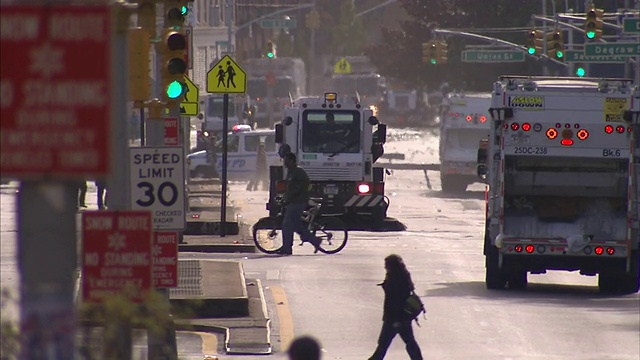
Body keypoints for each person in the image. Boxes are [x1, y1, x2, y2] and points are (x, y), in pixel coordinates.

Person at [368, 254, 423, 360]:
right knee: (409, 343)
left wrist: (396, 321)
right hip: (402, 318)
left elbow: (395, 301)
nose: (385, 268)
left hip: (394, 318)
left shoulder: (395, 279)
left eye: (386, 265)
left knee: (383, 346)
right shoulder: (402, 276)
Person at [280, 152, 321, 255]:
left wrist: (293, 195)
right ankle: (314, 240)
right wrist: (284, 198)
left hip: (298, 201)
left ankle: (287, 248)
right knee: (296, 226)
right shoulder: (290, 171)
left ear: (292, 161)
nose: (285, 163)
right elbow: (290, 188)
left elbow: (301, 186)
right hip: (292, 201)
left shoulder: (299, 172)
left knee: (287, 224)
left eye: (286, 161)